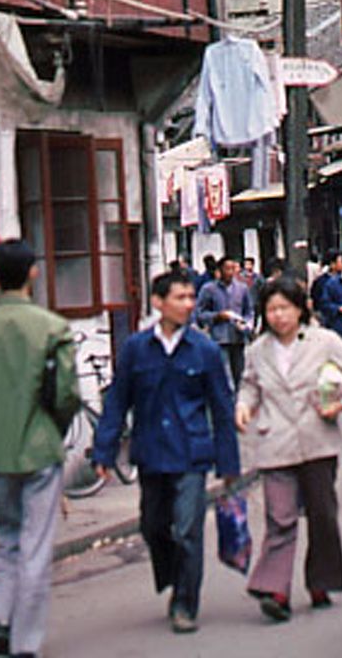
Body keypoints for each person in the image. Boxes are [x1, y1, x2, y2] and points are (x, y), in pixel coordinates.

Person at [94, 270, 241, 633]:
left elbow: (222, 407)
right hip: (151, 452)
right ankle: (174, 576)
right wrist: (104, 452)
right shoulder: (135, 348)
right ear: (158, 303)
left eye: (192, 297)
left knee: (188, 528)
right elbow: (117, 401)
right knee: (154, 526)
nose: (189, 304)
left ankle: (185, 603)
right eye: (180, 297)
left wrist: (228, 462)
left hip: (192, 453)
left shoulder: (204, 350)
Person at [0, 240, 79, 658]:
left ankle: (1, 617)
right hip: (39, 446)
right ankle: (26, 641)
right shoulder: (51, 327)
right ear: (33, 272)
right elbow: (66, 394)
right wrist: (53, 430)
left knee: (7, 535)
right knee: (35, 544)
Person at [236, 276, 342, 620]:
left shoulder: (326, 341)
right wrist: (243, 407)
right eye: (271, 309)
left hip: (318, 437)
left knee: (322, 515)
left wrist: (338, 401)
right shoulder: (257, 350)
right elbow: (249, 387)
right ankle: (275, 589)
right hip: (276, 439)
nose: (278, 316)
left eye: (285, 308)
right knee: (280, 516)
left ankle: (321, 581)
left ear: (300, 309)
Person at [195, 256, 255, 386]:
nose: (230, 272)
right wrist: (217, 316)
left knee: (240, 376)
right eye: (227, 269)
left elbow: (249, 311)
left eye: (233, 269)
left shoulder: (242, 288)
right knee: (224, 377)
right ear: (220, 270)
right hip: (219, 338)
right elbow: (199, 314)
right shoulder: (209, 289)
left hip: (238, 337)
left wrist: (247, 324)